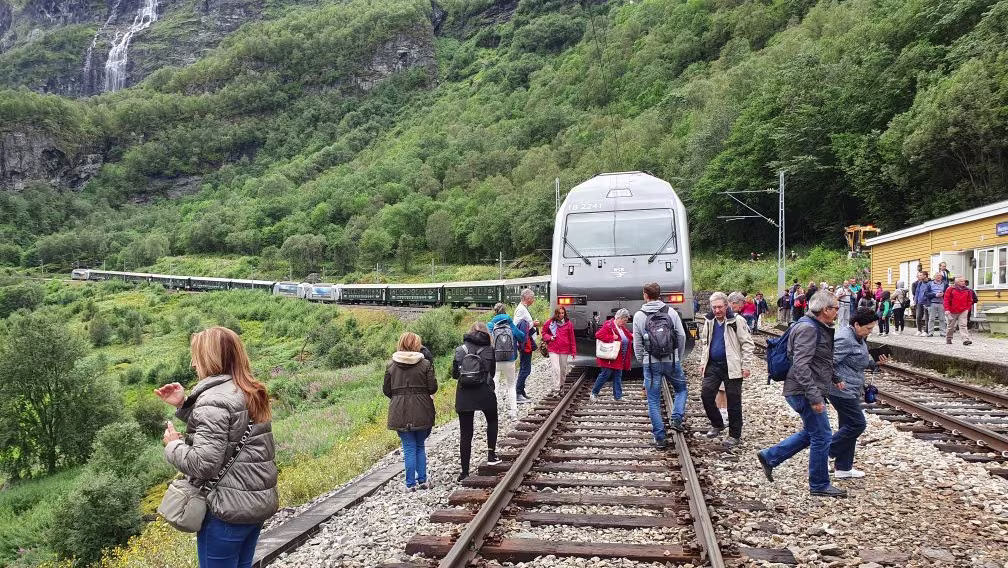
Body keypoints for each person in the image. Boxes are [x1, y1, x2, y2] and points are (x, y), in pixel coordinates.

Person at [156, 327, 278, 567]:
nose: (193, 363)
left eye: (196, 356)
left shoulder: (213, 400)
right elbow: (231, 431)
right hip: (254, 505)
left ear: (209, 358)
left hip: (226, 510)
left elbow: (204, 464)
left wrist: (173, 446)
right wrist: (185, 404)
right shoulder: (249, 390)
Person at [757, 292, 846, 498]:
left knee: (813, 432)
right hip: (803, 390)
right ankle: (819, 484)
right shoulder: (808, 328)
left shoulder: (814, 326)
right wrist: (814, 397)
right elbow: (801, 365)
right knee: (822, 436)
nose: (837, 312)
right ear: (826, 310)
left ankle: (770, 457)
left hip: (805, 389)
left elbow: (820, 360)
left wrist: (835, 377)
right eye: (835, 308)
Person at [829, 308, 887, 479]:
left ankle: (843, 468)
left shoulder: (859, 336)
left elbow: (857, 360)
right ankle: (824, 452)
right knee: (857, 424)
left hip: (852, 388)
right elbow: (828, 362)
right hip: (841, 389)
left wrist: (874, 362)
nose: (871, 331)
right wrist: (837, 379)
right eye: (868, 328)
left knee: (847, 427)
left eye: (872, 328)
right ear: (856, 324)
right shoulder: (844, 338)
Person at [633, 282, 688, 449]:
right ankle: (677, 417)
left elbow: (637, 342)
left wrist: (641, 358)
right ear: (660, 294)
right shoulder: (671, 312)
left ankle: (660, 438)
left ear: (645, 295)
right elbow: (681, 336)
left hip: (651, 363)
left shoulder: (639, 315)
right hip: (672, 361)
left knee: (653, 400)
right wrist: (678, 355)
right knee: (681, 389)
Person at [698, 292, 754, 448]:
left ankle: (734, 435)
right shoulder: (709, 321)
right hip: (713, 365)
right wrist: (703, 362)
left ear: (726, 305)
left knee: (734, 401)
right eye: (714, 307)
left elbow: (747, 344)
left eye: (720, 307)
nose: (717, 310)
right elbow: (705, 343)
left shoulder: (737, 320)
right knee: (706, 394)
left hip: (732, 366)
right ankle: (717, 423)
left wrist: (746, 365)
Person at [384, 331, 438, 490]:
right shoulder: (425, 364)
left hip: (399, 410)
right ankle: (422, 480)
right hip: (422, 408)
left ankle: (410, 484)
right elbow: (432, 387)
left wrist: (399, 397)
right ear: (416, 345)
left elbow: (387, 390)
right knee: (420, 445)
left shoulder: (391, 366)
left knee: (408, 448)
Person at [451, 322, 501, 481]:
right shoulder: (490, 350)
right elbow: (491, 373)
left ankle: (465, 471)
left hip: (464, 394)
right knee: (492, 420)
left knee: (466, 433)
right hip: (484, 391)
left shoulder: (460, 350)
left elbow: (454, 374)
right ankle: (491, 455)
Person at [488, 303, 526, 420]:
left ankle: (494, 410)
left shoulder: (490, 325)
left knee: (495, 385)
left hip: (495, 360)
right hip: (510, 359)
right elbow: (522, 337)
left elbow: (486, 341)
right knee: (510, 385)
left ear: (495, 312)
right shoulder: (510, 324)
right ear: (505, 311)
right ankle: (513, 412)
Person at [591, 308, 634, 402]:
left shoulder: (621, 327)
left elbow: (627, 336)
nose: (625, 322)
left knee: (617, 376)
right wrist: (611, 337)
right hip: (609, 356)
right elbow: (598, 335)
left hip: (618, 357)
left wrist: (634, 336)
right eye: (624, 320)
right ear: (619, 318)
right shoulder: (609, 326)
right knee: (605, 374)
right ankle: (594, 393)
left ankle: (618, 396)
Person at [512, 288, 539, 404]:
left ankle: (521, 392)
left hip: (526, 343)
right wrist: (534, 323)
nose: (533, 300)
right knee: (525, 369)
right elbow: (516, 326)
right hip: (524, 344)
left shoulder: (523, 308)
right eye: (532, 298)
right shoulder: (521, 310)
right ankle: (518, 393)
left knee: (525, 367)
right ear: (527, 298)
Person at [541, 306, 576, 392]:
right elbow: (544, 333)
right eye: (559, 313)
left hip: (564, 349)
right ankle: (556, 388)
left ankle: (561, 385)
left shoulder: (569, 324)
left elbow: (572, 338)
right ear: (556, 314)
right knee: (556, 368)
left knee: (563, 369)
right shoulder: (550, 322)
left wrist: (573, 351)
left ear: (565, 313)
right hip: (553, 348)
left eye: (562, 313)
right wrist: (550, 337)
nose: (561, 315)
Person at [944, 277, 974, 346]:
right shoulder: (950, 289)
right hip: (952, 310)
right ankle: (949, 338)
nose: (963, 282)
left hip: (963, 310)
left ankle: (965, 339)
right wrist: (947, 309)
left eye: (963, 281)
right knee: (951, 326)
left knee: (963, 325)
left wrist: (967, 309)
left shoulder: (968, 290)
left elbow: (970, 300)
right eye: (961, 281)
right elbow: (946, 299)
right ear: (956, 282)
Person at [925, 272, 948, 337]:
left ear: (941, 277)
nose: (938, 277)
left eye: (940, 276)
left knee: (942, 319)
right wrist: (935, 294)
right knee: (931, 319)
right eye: (937, 276)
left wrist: (943, 294)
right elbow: (926, 294)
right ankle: (930, 333)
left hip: (941, 303)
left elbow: (948, 293)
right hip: (932, 303)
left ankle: (943, 332)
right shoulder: (929, 284)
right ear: (934, 276)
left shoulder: (945, 284)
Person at [913, 271, 930, 335]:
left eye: (920, 275)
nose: (918, 276)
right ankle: (919, 330)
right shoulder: (919, 283)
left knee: (927, 318)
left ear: (925, 276)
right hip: (919, 302)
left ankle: (926, 331)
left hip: (927, 302)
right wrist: (915, 301)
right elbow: (917, 292)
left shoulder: (930, 283)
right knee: (918, 317)